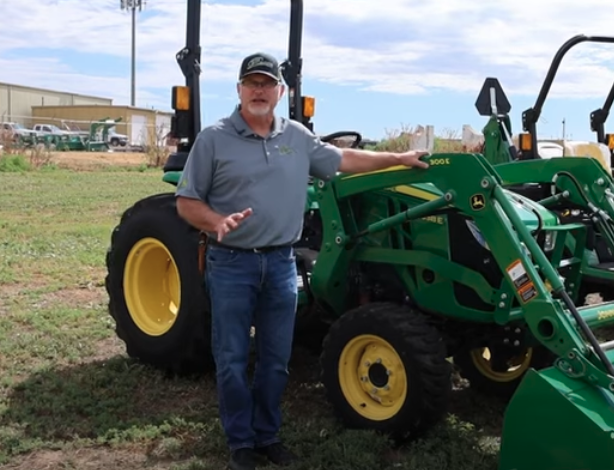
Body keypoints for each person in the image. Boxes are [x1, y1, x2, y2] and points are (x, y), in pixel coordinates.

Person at [174, 52, 429, 470]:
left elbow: (343, 160)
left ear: (281, 91)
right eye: (251, 83)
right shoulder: (215, 138)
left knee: (276, 360)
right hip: (232, 264)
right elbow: (186, 200)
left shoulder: (295, 135)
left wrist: (396, 160)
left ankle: (268, 436)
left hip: (280, 264)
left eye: (266, 83)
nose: (259, 90)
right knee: (233, 360)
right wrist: (216, 221)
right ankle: (240, 442)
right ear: (239, 89)